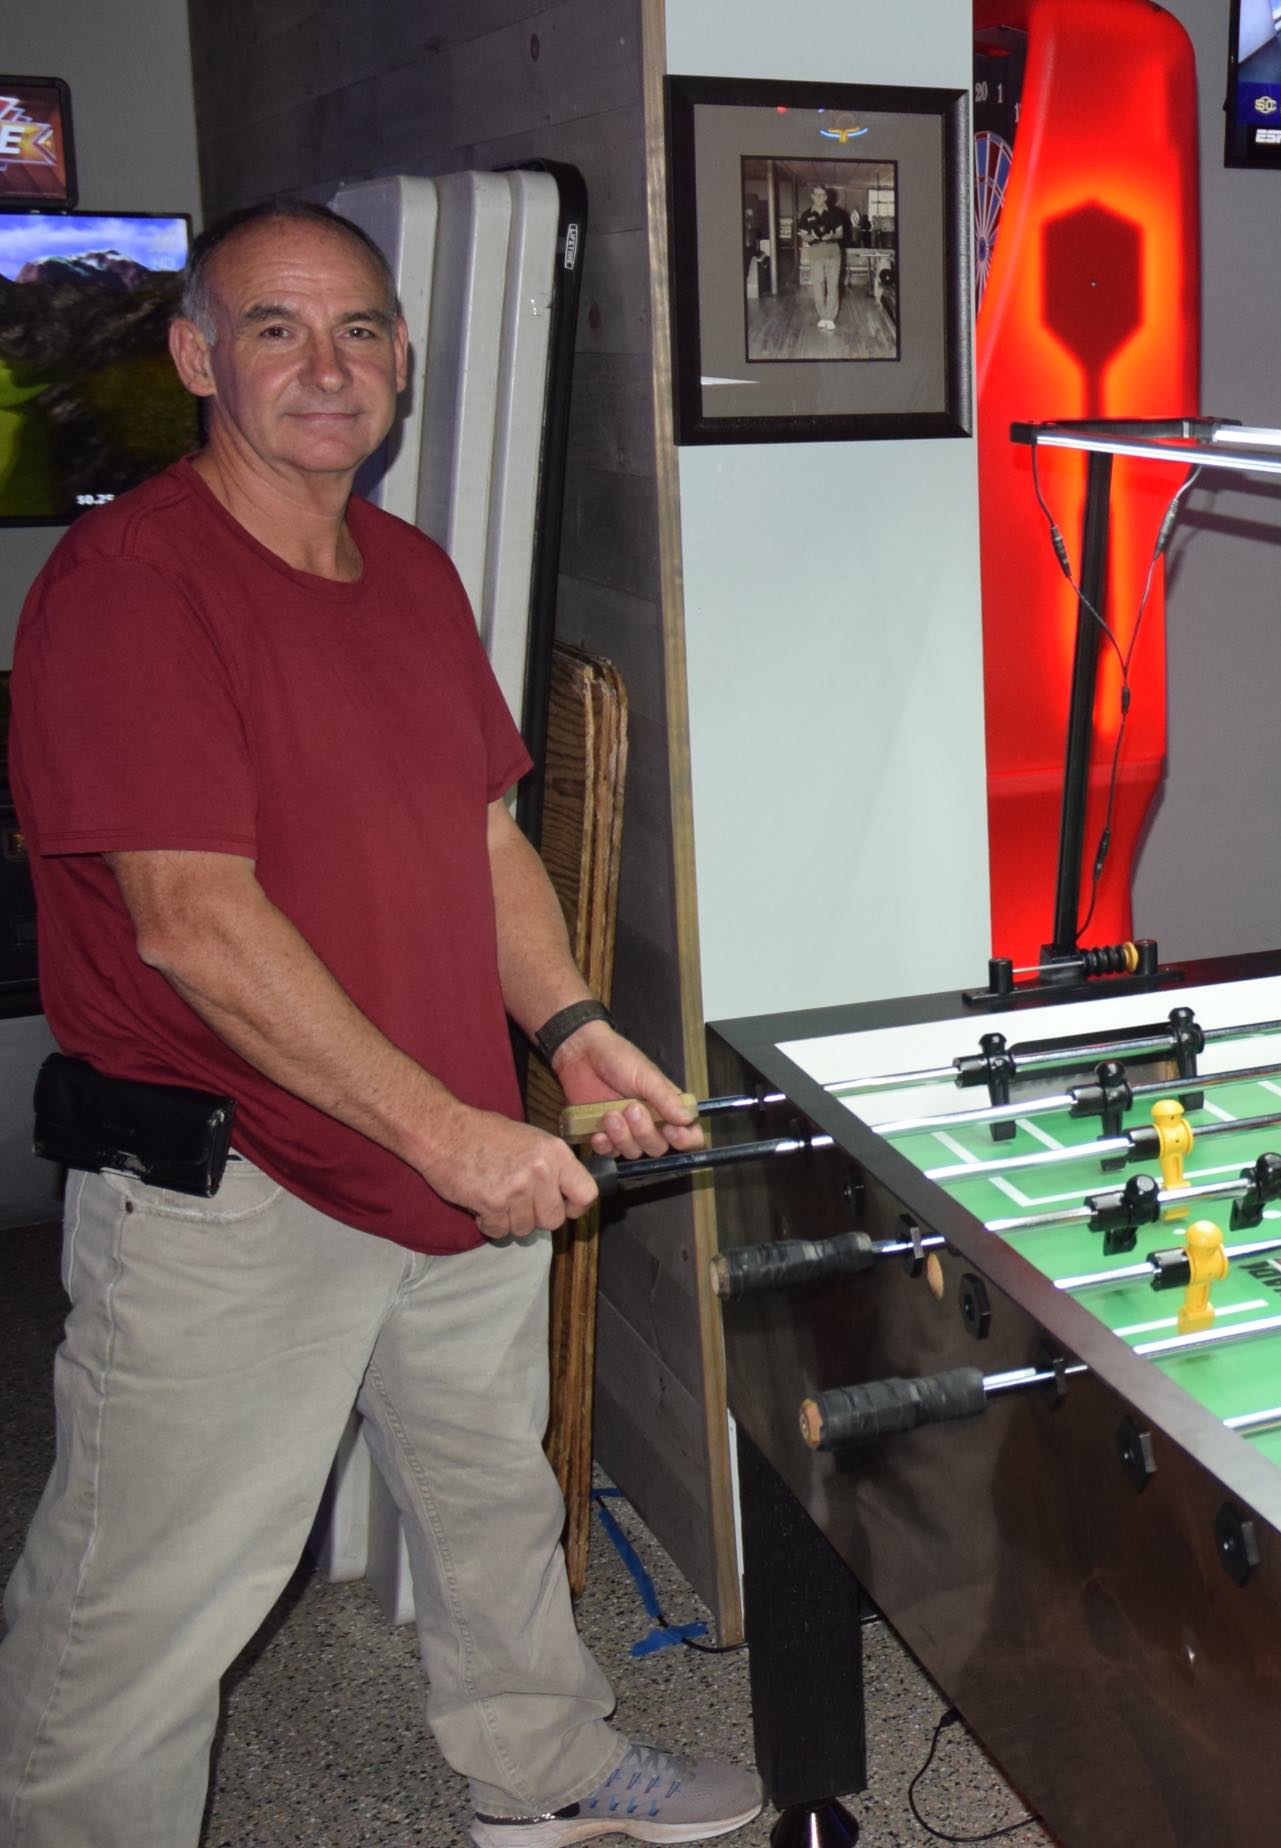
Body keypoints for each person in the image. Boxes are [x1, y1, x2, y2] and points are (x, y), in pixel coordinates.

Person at [0, 201, 759, 1846]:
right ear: (199, 356)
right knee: (139, 1599)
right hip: (237, 1187)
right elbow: (193, 920)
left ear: (403, 361)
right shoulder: (126, 588)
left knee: (494, 1496)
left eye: (358, 330)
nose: (325, 367)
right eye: (275, 328)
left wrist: (562, 1030)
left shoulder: (410, 572)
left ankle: (541, 1769)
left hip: (444, 1145)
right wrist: (448, 1126)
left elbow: (480, 836)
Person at [795, 183, 848, 333]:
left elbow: (840, 233)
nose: (820, 198)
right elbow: (803, 235)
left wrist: (832, 235)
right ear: (812, 196)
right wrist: (809, 237)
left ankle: (830, 318)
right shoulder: (806, 215)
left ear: (826, 196)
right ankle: (823, 316)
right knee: (818, 284)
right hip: (816, 250)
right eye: (816, 195)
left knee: (832, 285)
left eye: (822, 195)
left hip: (832, 249)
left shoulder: (835, 213)